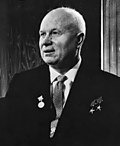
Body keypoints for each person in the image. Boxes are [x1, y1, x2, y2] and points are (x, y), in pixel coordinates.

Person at [0, 6, 120, 146]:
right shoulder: (22, 84)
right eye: (42, 34)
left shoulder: (112, 88)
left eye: (55, 33)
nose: (45, 42)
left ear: (79, 40)